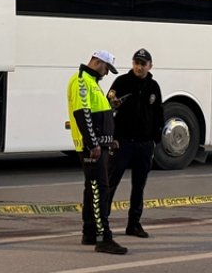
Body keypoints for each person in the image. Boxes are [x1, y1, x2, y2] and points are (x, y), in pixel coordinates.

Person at [67, 50, 127, 255]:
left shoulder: (92, 82)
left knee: (92, 189)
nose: (107, 74)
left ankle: (90, 232)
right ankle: (104, 239)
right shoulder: (82, 81)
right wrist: (93, 144)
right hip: (90, 149)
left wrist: (109, 140)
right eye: (106, 68)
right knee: (99, 190)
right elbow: (83, 115)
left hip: (97, 146)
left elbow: (98, 117)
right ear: (97, 62)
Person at [107, 48, 164, 239]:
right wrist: (111, 137)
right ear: (132, 64)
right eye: (136, 63)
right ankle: (102, 224)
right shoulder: (122, 82)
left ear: (150, 66)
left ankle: (134, 224)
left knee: (139, 186)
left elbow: (158, 114)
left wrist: (155, 140)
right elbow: (108, 108)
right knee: (110, 183)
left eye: (143, 64)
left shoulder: (153, 87)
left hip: (144, 145)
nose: (139, 67)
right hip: (122, 142)